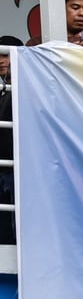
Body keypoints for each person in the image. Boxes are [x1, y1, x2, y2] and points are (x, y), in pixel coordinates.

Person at [0, 35, 22, 244]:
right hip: (5, 169)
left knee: (17, 228)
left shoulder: (26, 90)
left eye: (6, 55)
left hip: (17, 170)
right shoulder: (4, 91)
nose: (1, 60)